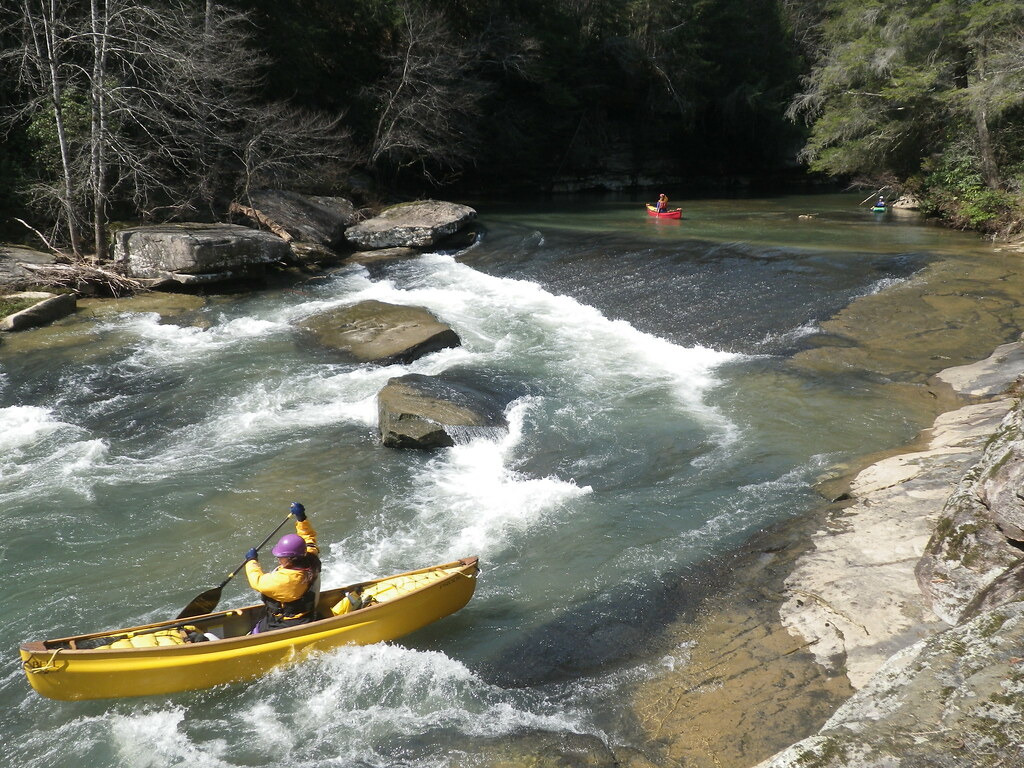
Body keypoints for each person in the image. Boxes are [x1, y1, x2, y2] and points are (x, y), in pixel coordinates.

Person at [245, 502, 322, 632]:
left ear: (291, 559)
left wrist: (251, 561)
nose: (278, 558)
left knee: (256, 632)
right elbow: (308, 538)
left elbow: (257, 581)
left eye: (281, 556)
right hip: (307, 613)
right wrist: (301, 519)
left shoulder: (286, 580)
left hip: (289, 622)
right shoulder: (310, 557)